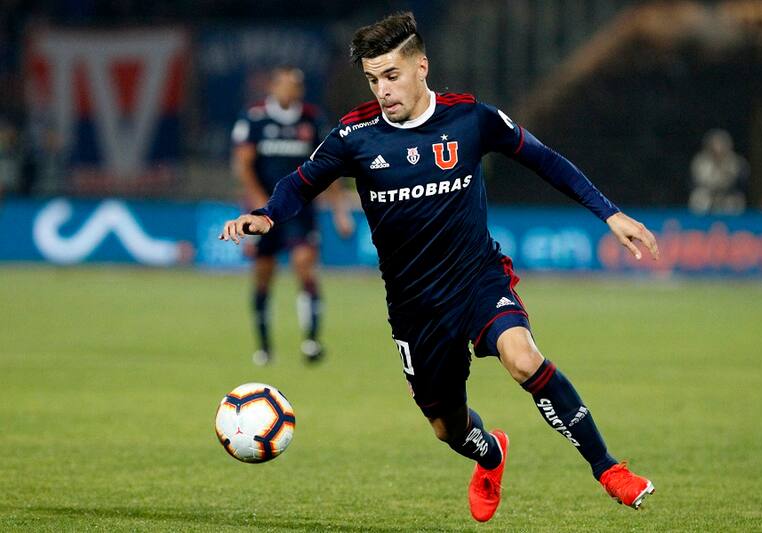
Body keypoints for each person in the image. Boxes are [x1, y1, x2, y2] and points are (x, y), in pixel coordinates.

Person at [221, 12, 659, 522]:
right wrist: (266, 214)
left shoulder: (471, 119)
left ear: (421, 66)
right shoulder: (353, 136)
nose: (382, 90)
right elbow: (300, 183)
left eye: (391, 75)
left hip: (476, 277)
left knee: (523, 358)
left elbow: (546, 160)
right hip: (414, 306)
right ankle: (491, 453)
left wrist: (609, 213)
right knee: (447, 428)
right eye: (372, 79)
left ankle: (608, 468)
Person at [231, 65, 353, 365]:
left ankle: (311, 340)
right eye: (284, 85)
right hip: (264, 211)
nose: (290, 90)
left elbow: (330, 168)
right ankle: (264, 346)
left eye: (295, 86)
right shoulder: (255, 119)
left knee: (304, 266)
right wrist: (259, 204)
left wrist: (340, 212)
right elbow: (243, 166)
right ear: (273, 87)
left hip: (301, 210)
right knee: (263, 275)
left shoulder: (312, 119)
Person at [689, 129, 748, 215]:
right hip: (708, 193)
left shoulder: (734, 161)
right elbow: (700, 181)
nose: (718, 148)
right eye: (715, 144)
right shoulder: (701, 161)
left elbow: (735, 181)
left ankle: (734, 226)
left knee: (735, 202)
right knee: (699, 198)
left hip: (727, 194)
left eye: (721, 144)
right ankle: (699, 225)